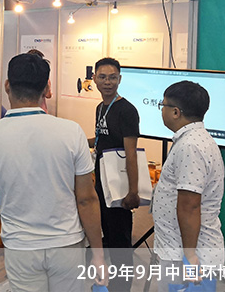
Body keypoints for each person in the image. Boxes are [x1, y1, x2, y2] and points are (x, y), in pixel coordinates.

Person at [0, 53, 107, 291]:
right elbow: (86, 199)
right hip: (67, 243)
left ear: (7, 86)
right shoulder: (71, 132)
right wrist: (98, 254)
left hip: (20, 247)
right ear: (46, 88)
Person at [152, 81, 225, 291]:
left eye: (163, 105)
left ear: (176, 112)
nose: (161, 110)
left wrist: (190, 256)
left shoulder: (190, 146)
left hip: (187, 256)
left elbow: (190, 206)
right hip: (180, 249)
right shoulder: (193, 140)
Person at [89, 57, 140, 292]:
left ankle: (122, 287)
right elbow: (102, 139)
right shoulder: (100, 107)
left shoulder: (127, 110)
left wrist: (133, 191)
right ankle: (110, 284)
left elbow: (131, 153)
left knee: (120, 241)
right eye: (102, 77)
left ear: (120, 79)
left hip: (119, 185)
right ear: (94, 79)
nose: (107, 82)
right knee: (108, 235)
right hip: (102, 182)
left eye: (112, 77)